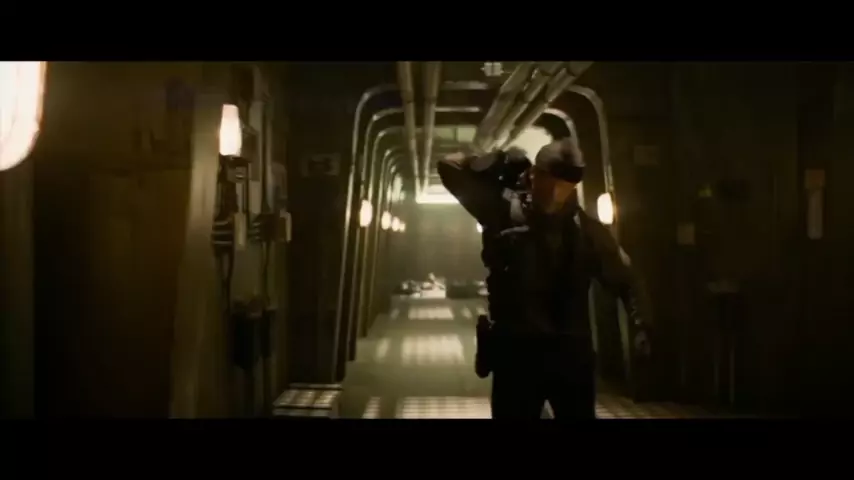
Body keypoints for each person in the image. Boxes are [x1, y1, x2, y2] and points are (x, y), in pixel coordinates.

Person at [437, 138, 652, 420]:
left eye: (562, 186)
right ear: (532, 175)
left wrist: (641, 325)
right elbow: (449, 168)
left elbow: (627, 280)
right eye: (549, 182)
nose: (553, 193)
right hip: (518, 354)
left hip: (568, 355)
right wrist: (492, 160)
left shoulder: (587, 232)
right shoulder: (503, 210)